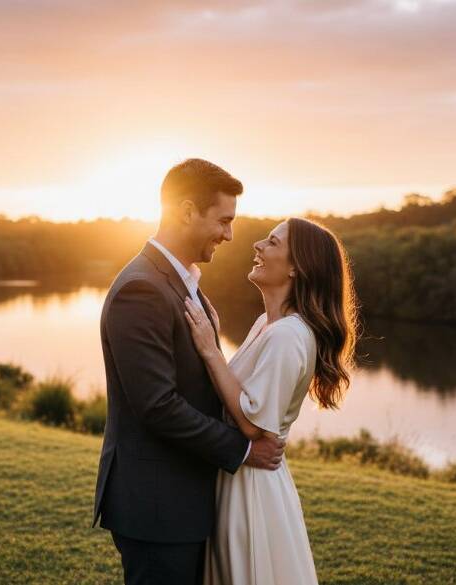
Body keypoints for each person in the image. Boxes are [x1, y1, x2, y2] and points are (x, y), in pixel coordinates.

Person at [93, 158, 286, 585]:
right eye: (223, 220)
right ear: (185, 211)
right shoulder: (142, 289)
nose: (230, 234)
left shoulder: (180, 282)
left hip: (183, 498)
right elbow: (157, 406)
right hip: (158, 505)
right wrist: (244, 450)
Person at [184, 217, 359, 585]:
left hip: (252, 490)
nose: (258, 246)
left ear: (297, 267)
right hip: (236, 477)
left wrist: (209, 352)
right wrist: (214, 341)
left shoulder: (288, 336)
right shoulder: (266, 324)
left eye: (273, 243)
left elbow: (252, 423)